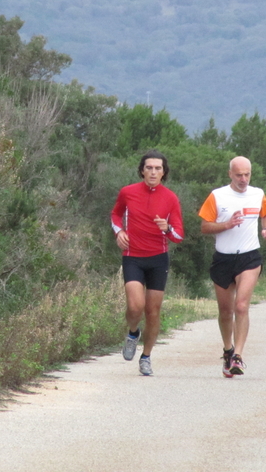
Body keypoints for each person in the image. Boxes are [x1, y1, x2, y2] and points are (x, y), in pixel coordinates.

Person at [198, 156, 266, 377]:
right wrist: (227, 224)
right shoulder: (217, 196)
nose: (243, 179)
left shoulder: (258, 194)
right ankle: (228, 350)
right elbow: (204, 226)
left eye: (247, 174)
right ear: (230, 174)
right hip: (223, 258)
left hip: (249, 258)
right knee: (225, 311)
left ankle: (238, 357)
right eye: (239, 174)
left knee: (241, 306)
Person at [110, 150, 184, 376]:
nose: (153, 172)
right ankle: (133, 332)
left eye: (158, 168)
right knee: (135, 306)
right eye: (149, 168)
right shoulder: (128, 192)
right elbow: (115, 215)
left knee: (152, 311)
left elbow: (179, 235)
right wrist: (119, 231)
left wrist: (167, 228)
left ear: (164, 172)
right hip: (133, 255)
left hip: (158, 259)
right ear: (142, 170)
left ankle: (146, 357)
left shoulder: (170, 198)